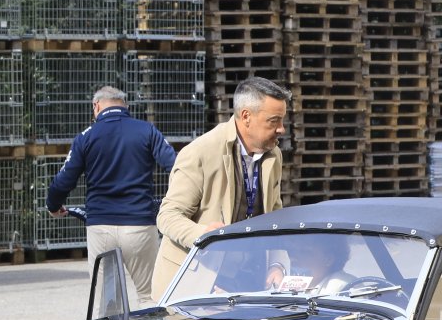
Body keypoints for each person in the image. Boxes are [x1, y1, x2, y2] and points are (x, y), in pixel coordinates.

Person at [152, 76, 290, 298]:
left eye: (282, 121)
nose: (281, 129)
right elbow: (167, 216)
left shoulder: (273, 155)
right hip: (196, 284)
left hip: (249, 281)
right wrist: (204, 235)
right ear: (246, 116)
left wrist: (278, 264)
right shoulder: (200, 153)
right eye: (274, 121)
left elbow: (276, 217)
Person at [46, 85, 177, 307]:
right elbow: (176, 166)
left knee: (107, 303)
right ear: (125, 105)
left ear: (96, 106)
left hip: (101, 226)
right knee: (151, 297)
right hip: (139, 224)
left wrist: (53, 205)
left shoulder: (86, 137)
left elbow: (64, 180)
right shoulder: (146, 130)